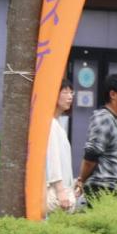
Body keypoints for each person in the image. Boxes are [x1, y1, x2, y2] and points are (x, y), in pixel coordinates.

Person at [77, 73, 117, 201]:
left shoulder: (116, 120)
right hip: (105, 189)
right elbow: (91, 155)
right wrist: (82, 180)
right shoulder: (103, 118)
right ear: (113, 94)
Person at [45, 81, 76, 213]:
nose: (70, 96)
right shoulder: (51, 124)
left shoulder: (57, 124)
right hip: (56, 192)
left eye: (71, 92)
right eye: (65, 92)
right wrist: (60, 190)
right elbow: (53, 159)